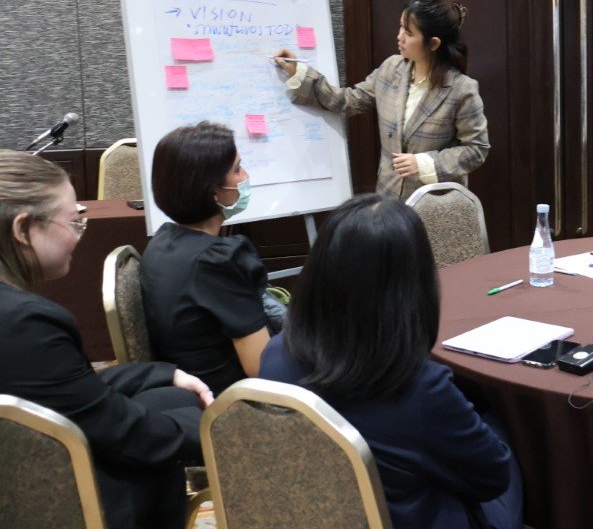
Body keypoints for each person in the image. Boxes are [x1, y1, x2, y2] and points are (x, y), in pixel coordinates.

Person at [260, 193, 522, 529]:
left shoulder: (274, 355)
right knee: (503, 428)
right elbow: (492, 479)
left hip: (314, 515)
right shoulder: (420, 388)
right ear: (413, 285)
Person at [0, 150, 212, 529]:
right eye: (73, 222)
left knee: (169, 396)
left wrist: (162, 373)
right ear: (22, 228)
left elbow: (62, 389)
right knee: (158, 450)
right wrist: (216, 426)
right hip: (36, 498)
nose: (79, 235)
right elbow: (122, 433)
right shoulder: (25, 323)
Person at [276, 0, 489, 200]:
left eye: (409, 33)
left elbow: (476, 149)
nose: (399, 36)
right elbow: (347, 101)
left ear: (433, 44)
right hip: (388, 197)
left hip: (434, 204)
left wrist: (424, 163)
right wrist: (299, 72)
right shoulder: (391, 68)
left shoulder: (462, 89)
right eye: (401, 26)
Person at [141, 122, 278, 396]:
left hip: (187, 390)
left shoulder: (161, 243)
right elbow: (263, 368)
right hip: (230, 400)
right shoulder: (217, 262)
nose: (246, 176)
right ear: (214, 191)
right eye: (237, 169)